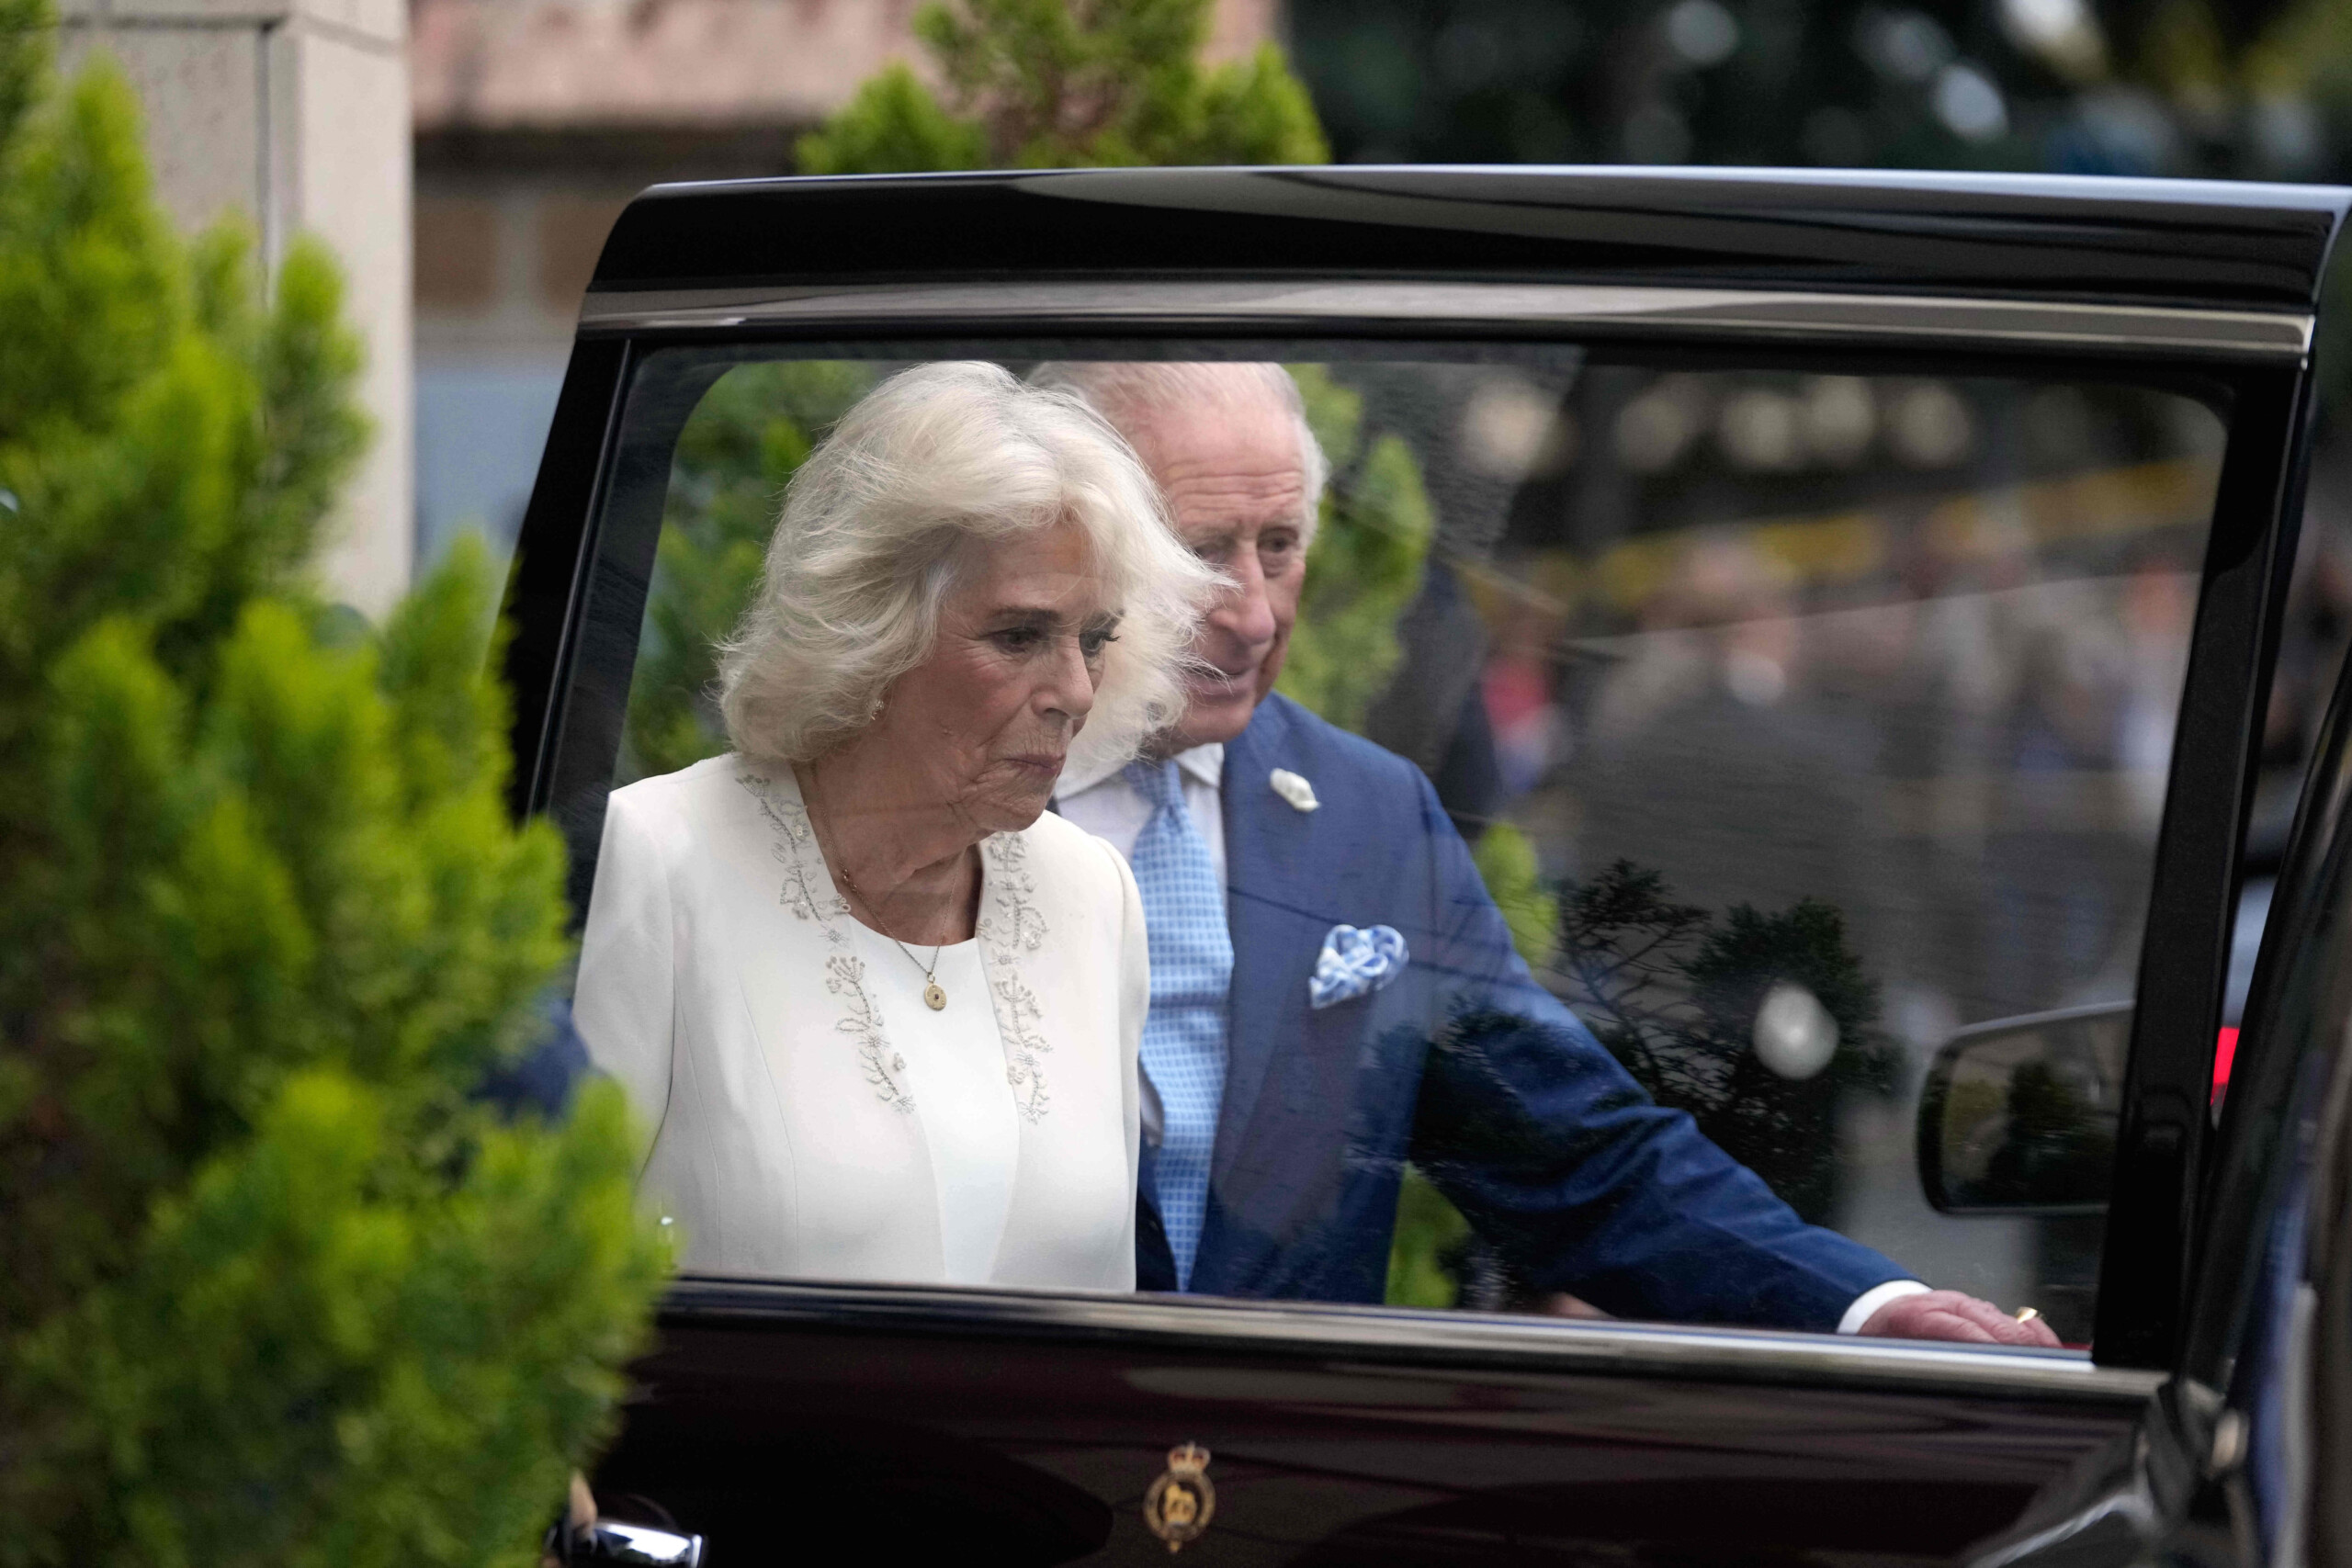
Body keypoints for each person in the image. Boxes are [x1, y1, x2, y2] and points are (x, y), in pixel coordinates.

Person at [1038, 360, 2059, 1346]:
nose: (1255, 611)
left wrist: (1867, 1305)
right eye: (1205, 549)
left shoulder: (1366, 813)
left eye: (1281, 544)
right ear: (1074, 544)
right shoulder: (936, 792)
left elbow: (1580, 1154)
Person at [575, 362, 1217, 1290]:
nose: (1076, 691)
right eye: (1019, 636)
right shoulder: (658, 858)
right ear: (870, 628)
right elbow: (547, 1284)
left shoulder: (1093, 894)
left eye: (1093, 638)